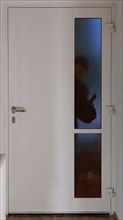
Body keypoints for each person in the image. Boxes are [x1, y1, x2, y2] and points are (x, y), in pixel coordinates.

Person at [75, 56, 96, 126]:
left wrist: (90, 112)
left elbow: (81, 112)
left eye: (82, 69)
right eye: (78, 68)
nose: (80, 71)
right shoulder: (64, 84)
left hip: (72, 126)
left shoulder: (83, 88)